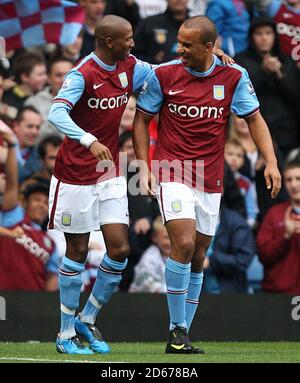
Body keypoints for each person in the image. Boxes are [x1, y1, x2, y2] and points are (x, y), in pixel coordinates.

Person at [133, 15, 281, 354]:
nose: (179, 48)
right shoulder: (164, 74)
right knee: (183, 243)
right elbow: (141, 120)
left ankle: (181, 335)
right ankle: (176, 330)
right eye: (179, 42)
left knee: (199, 254)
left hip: (211, 177)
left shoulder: (233, 76)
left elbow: (254, 118)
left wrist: (271, 161)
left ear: (209, 47)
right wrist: (143, 165)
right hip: (172, 170)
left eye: (187, 44)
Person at [47, 15, 153, 355]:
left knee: (120, 249)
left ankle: (87, 317)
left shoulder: (131, 67)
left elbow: (163, 72)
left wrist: (208, 60)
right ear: (109, 42)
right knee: (76, 252)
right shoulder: (83, 74)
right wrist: (88, 139)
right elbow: (56, 113)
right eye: (127, 39)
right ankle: (65, 335)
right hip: (74, 175)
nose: (132, 44)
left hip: (108, 173)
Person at [0, 125, 59, 291]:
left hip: (30, 310)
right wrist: (12, 146)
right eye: (37, 199)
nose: (41, 205)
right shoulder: (13, 217)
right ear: (24, 203)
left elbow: (52, 278)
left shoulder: (51, 244)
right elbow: (12, 184)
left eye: (45, 202)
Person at [234, 17, 300, 159]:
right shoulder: (241, 60)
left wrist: (279, 74)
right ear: (251, 37)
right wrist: (264, 72)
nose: (264, 38)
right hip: (255, 133)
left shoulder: (287, 61)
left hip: (287, 134)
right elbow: (240, 94)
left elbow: (295, 96)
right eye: (259, 34)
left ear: (275, 36)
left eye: (268, 33)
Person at [256, 159, 300, 294]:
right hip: (277, 295)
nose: (294, 184)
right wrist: (285, 236)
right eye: (289, 180)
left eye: (298, 179)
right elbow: (263, 255)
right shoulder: (275, 214)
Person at [25, 58, 73, 142]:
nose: (64, 80)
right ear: (49, 78)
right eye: (58, 75)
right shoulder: (34, 102)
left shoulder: (88, 101)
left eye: (68, 75)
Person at [129, 216, 170, 293]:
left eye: (173, 237)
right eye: (166, 237)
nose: (170, 242)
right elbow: (150, 286)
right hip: (140, 300)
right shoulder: (149, 258)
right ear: (154, 237)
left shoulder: (179, 256)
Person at [224, 138, 258, 228]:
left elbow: (251, 211)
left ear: (243, 160)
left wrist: (246, 226)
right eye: (230, 154)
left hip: (239, 226)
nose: (234, 158)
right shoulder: (217, 179)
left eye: (239, 155)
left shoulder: (246, 183)